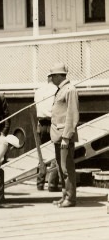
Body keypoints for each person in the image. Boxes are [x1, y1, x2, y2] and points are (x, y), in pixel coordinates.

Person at [48, 63, 80, 208]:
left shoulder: (70, 90)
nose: (51, 79)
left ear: (60, 75)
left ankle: (70, 198)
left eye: (53, 76)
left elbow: (72, 115)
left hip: (64, 137)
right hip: (57, 136)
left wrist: (66, 137)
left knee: (67, 168)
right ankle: (64, 195)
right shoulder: (61, 90)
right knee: (61, 169)